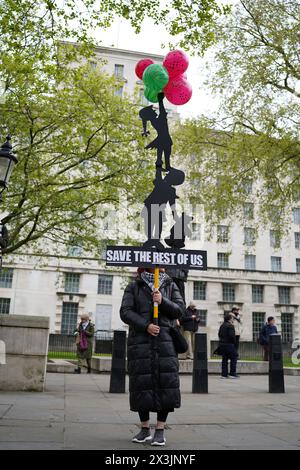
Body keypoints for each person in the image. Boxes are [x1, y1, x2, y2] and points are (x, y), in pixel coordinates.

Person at [120, 267, 185, 446]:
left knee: (166, 384)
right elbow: (125, 312)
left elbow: (180, 310)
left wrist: (162, 301)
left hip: (165, 342)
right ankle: (144, 428)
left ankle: (160, 430)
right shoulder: (134, 286)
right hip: (140, 343)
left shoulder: (170, 284)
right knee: (142, 385)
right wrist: (145, 325)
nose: (162, 266)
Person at [218, 313, 239, 379]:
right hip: (229, 344)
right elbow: (232, 336)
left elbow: (219, 334)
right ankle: (232, 373)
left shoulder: (222, 325)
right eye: (232, 318)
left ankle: (224, 374)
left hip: (222, 344)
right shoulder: (230, 326)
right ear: (229, 319)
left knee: (224, 359)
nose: (233, 319)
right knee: (234, 357)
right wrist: (234, 342)